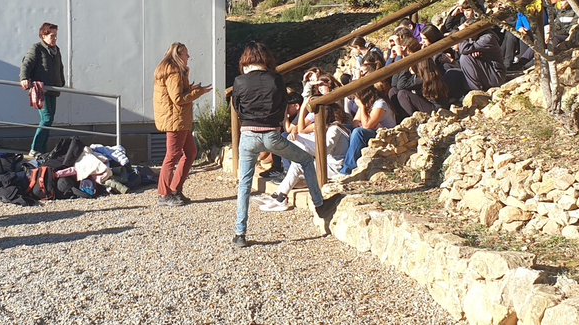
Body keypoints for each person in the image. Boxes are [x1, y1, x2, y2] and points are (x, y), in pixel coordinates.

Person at [231, 42, 329, 248]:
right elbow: (282, 105)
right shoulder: (275, 79)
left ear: (246, 60)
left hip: (247, 136)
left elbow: (237, 107)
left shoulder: (239, 82)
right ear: (266, 59)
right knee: (304, 160)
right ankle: (320, 205)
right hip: (271, 135)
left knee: (245, 183)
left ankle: (240, 234)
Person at [152, 43, 213, 207]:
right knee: (172, 156)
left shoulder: (174, 71)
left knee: (191, 152)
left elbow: (177, 93)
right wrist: (199, 92)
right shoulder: (173, 72)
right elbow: (178, 98)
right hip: (175, 121)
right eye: (186, 54)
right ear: (179, 55)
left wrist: (192, 88)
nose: (188, 57)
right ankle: (164, 194)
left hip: (180, 120)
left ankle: (174, 189)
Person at [19, 22, 65, 158]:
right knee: (46, 118)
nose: (55, 38)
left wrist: (61, 82)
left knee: (49, 120)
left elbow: (60, 67)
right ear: (43, 35)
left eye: (56, 36)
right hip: (40, 90)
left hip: (52, 90)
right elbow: (26, 63)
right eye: (52, 36)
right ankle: (35, 149)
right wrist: (24, 78)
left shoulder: (56, 50)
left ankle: (42, 150)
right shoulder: (37, 48)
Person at [337, 82, 397, 179]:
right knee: (343, 128)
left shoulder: (380, 104)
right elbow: (355, 123)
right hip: (373, 131)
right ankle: (340, 161)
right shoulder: (367, 105)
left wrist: (361, 107)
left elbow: (367, 125)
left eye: (356, 96)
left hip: (384, 136)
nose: (355, 100)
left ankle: (347, 170)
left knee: (358, 132)